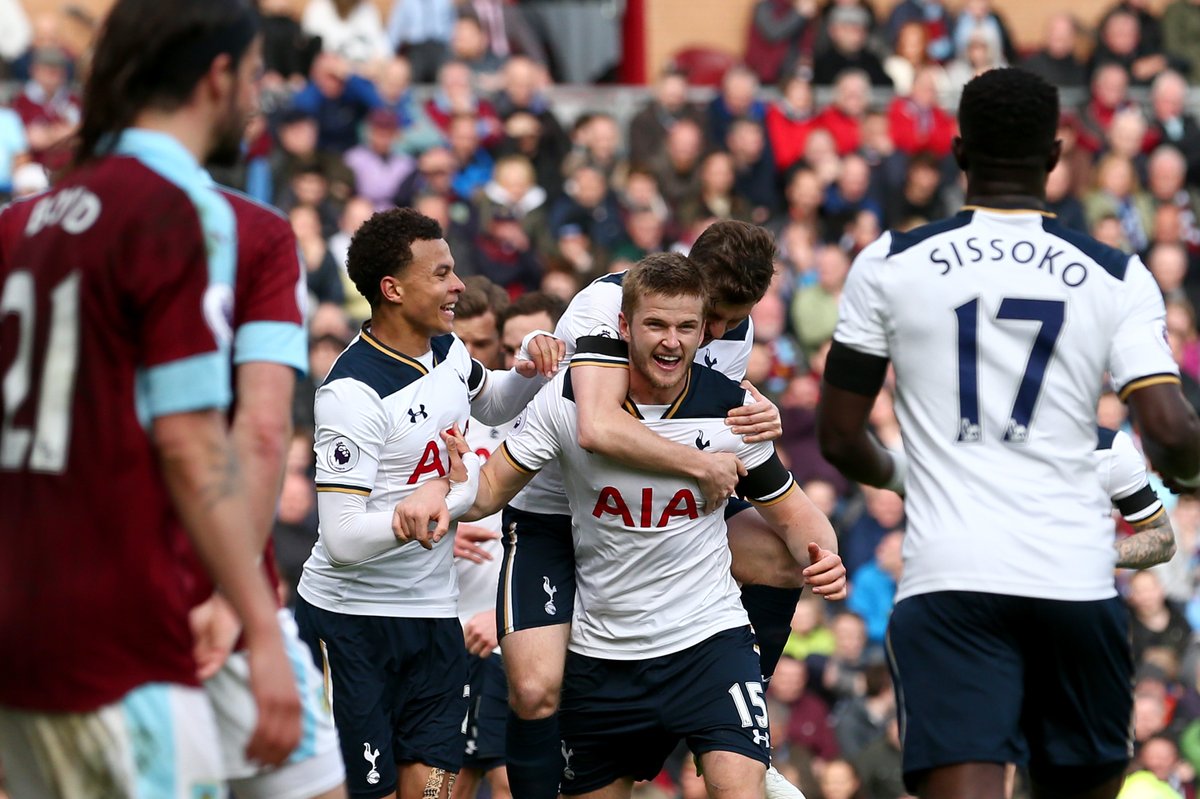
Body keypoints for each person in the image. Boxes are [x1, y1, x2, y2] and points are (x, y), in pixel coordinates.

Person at [816, 67, 1200, 799]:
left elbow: (838, 437)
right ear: (1055, 157)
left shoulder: (890, 262)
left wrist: (907, 476)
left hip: (949, 577)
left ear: (959, 153)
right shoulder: (1117, 274)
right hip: (1071, 583)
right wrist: (1185, 478)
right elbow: (1170, 428)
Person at [0, 1, 301, 796]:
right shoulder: (180, 211)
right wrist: (262, 628)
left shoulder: (22, 224)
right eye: (256, 73)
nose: (259, 94)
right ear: (219, 75)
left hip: (23, 619)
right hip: (121, 631)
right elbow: (195, 441)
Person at [409, 252, 846, 799]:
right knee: (532, 687)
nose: (673, 341)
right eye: (656, 325)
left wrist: (825, 555)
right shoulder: (569, 399)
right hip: (604, 646)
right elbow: (490, 491)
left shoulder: (734, 410)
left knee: (740, 786)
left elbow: (798, 514)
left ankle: (747, 727)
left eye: (687, 327)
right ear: (623, 325)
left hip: (706, 642)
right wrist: (445, 488)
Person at [293, 208, 562, 799]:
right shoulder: (351, 394)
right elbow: (339, 538)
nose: (458, 285)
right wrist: (410, 514)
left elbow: (492, 403)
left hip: (433, 618)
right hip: (352, 624)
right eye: (440, 274)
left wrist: (533, 370)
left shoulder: (447, 352)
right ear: (392, 289)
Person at [193, 186, 349, 799]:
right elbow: (255, 430)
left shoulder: (22, 228)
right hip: (199, 592)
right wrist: (251, 614)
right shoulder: (253, 230)